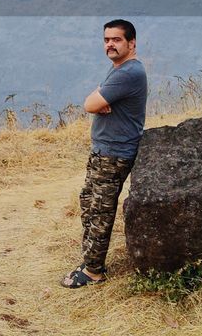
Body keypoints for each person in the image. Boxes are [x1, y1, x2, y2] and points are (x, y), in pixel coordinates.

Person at [61, 18, 148, 288]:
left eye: (117, 39)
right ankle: (90, 261)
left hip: (114, 153)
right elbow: (94, 101)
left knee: (100, 212)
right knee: (89, 203)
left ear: (131, 43)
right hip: (104, 151)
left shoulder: (128, 73)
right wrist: (98, 101)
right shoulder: (118, 69)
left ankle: (93, 273)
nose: (110, 44)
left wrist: (98, 102)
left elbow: (89, 103)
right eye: (106, 39)